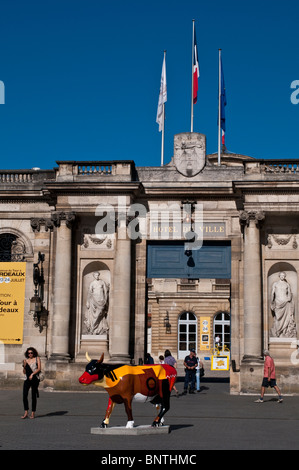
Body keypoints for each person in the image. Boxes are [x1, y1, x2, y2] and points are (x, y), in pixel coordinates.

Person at [270, 271, 297, 338]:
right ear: (279, 276)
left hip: (285, 301)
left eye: (283, 276)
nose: (282, 277)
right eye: (281, 275)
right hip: (278, 302)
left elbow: (290, 293)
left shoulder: (287, 284)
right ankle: (277, 332)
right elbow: (272, 293)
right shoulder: (275, 284)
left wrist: (289, 299)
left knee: (287, 318)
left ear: (285, 276)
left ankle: (284, 331)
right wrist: (271, 302)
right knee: (277, 318)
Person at [85, 271, 109, 335]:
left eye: (98, 275)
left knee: (100, 312)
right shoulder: (92, 283)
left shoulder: (102, 282)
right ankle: (93, 328)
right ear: (94, 276)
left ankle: (96, 327)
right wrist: (87, 301)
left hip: (101, 300)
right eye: (96, 275)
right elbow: (89, 293)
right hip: (93, 300)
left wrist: (105, 300)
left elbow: (105, 291)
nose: (97, 276)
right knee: (93, 314)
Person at [21, 347, 41, 419]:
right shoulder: (26, 360)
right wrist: (24, 365)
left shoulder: (37, 358)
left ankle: (33, 413)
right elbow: (24, 372)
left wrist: (32, 374)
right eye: (29, 353)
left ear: (34, 353)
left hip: (35, 379)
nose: (30, 354)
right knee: (24, 395)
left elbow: (39, 369)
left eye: (31, 353)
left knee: (33, 396)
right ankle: (26, 412)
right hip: (27, 379)